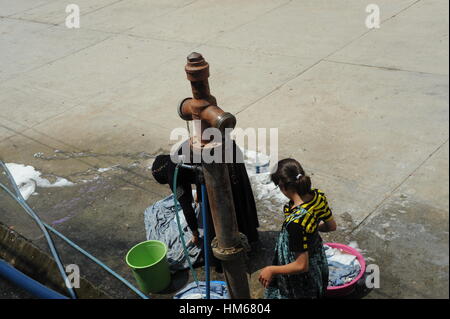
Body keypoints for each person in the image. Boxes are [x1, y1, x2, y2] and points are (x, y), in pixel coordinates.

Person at [151, 139, 260, 271]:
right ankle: (249, 237)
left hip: (219, 169)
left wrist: (195, 233)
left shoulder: (173, 176)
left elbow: (187, 207)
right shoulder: (179, 153)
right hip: (231, 156)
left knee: (220, 214)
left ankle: (231, 254)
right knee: (238, 200)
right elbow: (197, 168)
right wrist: (199, 193)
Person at [259, 158, 337, 299]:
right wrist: (311, 227)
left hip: (302, 280)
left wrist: (271, 269)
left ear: (283, 186)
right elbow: (331, 226)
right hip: (317, 260)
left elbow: (301, 265)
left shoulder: (296, 223)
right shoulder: (317, 197)